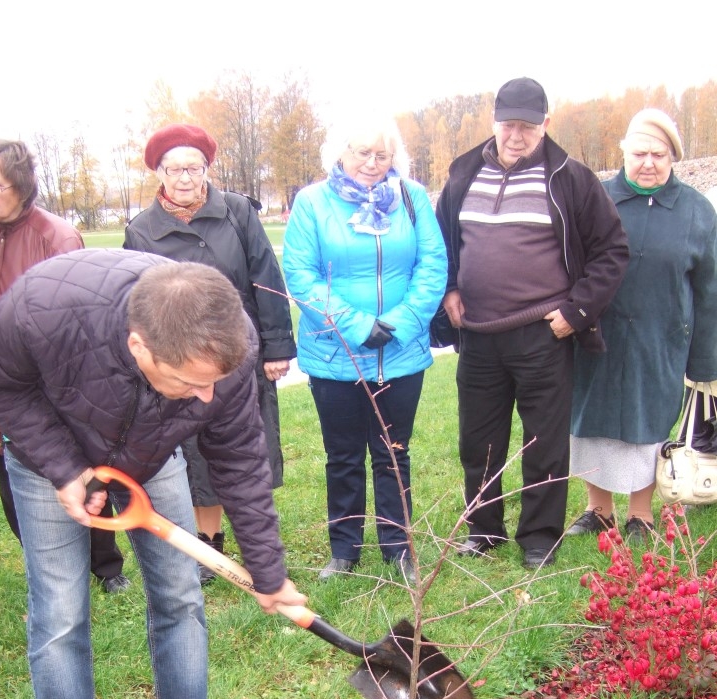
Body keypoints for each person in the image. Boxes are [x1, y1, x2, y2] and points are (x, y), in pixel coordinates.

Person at [0, 249, 306, 699]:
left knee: (179, 595)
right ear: (139, 346)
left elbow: (239, 461)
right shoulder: (42, 308)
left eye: (213, 382)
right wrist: (67, 470)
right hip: (47, 458)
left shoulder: (227, 341)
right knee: (61, 617)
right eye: (188, 382)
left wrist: (270, 573)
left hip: (149, 454)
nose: (205, 398)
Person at [435, 78, 629, 569]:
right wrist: (450, 288)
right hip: (478, 335)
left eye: (527, 125)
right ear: (493, 122)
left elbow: (611, 251)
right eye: (508, 124)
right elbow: (441, 246)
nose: (516, 135)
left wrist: (576, 312)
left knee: (543, 442)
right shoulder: (463, 172)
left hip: (543, 332)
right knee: (478, 441)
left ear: (546, 124)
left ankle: (540, 536)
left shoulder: (570, 177)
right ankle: (483, 530)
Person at [0, 139, 130, 595]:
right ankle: (51, 573)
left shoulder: (57, 237)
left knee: (81, 479)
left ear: (22, 186)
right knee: (15, 490)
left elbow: (81, 324)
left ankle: (106, 568)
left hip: (53, 396)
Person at [124, 124, 296, 585]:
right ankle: (209, 544)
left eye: (194, 168)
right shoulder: (141, 230)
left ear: (207, 169)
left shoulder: (237, 212)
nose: (185, 177)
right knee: (196, 454)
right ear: (158, 173)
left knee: (248, 445)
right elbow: (135, 299)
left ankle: (261, 542)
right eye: (174, 168)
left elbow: (266, 278)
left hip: (240, 352)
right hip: (180, 361)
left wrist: (277, 345)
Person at [282, 119, 447, 582]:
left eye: (381, 155)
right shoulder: (312, 203)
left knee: (394, 453)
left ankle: (399, 548)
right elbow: (300, 273)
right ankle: (345, 549)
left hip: (401, 351)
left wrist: (402, 321)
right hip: (336, 355)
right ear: (340, 153)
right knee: (344, 455)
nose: (372, 164)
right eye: (361, 153)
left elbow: (432, 264)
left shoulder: (413, 199)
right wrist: (355, 325)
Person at [568, 110, 717, 542]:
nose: (648, 162)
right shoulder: (597, 198)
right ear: (624, 153)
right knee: (590, 418)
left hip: (662, 336)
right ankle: (598, 510)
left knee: (648, 422)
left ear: (673, 156)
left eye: (659, 154)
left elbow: (709, 288)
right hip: (598, 333)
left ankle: (641, 514)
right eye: (639, 153)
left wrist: (706, 361)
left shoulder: (696, 210)